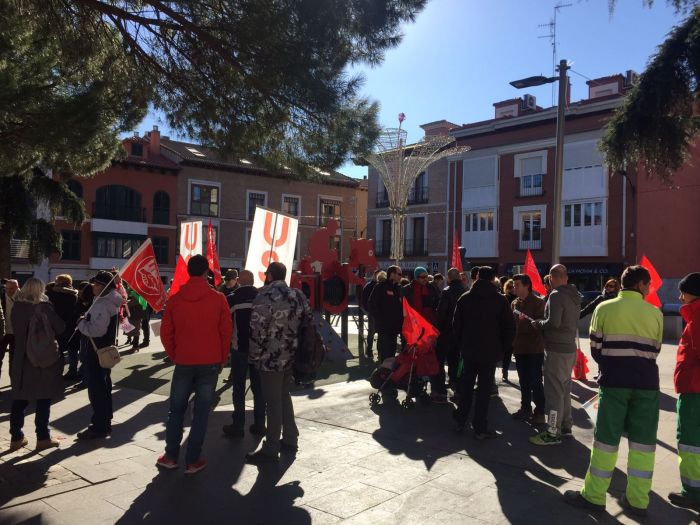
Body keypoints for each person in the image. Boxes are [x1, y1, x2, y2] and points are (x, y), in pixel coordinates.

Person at [564, 265, 663, 516]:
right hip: (647, 385)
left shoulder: (603, 308)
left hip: (614, 382)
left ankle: (595, 496)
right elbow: (655, 349)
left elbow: (596, 348)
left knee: (606, 441)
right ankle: (638, 501)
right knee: (643, 444)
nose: (650, 288)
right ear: (641, 285)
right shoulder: (655, 313)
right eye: (648, 284)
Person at [158, 255, 232, 474]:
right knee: (201, 412)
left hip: (184, 361)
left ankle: (171, 456)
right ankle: (192, 459)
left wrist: (175, 354)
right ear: (206, 272)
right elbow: (225, 332)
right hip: (209, 362)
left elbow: (166, 333)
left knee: (176, 410)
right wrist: (221, 358)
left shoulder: (175, 299)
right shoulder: (218, 299)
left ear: (188, 271)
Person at [245, 262, 312, 464]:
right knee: (283, 396)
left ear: (270, 275)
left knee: (272, 402)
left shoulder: (264, 296)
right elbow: (308, 321)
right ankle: (291, 437)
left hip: (270, 359)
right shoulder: (298, 295)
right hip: (291, 356)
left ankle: (271, 448)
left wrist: (254, 357)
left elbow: (257, 330)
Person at [452, 266, 515, 439]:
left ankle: (460, 420)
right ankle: (480, 427)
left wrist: (462, 344)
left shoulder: (465, 298)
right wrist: (501, 349)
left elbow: (456, 326)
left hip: (469, 351)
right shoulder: (500, 300)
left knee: (466, 387)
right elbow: (509, 328)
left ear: (478, 277)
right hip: (489, 352)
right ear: (493, 279)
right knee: (484, 391)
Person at [8, 278, 65, 452]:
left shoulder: (16, 307)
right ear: (40, 290)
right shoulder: (45, 307)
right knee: (43, 399)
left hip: (20, 357)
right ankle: (43, 438)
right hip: (42, 360)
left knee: (20, 398)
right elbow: (61, 327)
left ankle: (16, 437)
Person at [529, 264, 581, 446]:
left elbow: (554, 322)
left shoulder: (557, 295)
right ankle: (566, 426)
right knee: (564, 391)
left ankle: (552, 432)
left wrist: (538, 324)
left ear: (551, 278)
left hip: (556, 350)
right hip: (569, 349)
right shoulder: (574, 295)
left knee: (553, 394)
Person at [76, 271, 122, 439]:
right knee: (104, 386)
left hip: (97, 351)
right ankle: (104, 420)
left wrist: (81, 323)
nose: (92, 286)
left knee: (97, 389)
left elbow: (97, 330)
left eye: (95, 284)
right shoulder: (108, 300)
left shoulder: (103, 304)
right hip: (103, 351)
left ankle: (100, 425)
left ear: (103, 286)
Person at [668, 272, 700, 512]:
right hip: (693, 386)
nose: (680, 296)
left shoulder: (697, 317)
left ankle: (692, 492)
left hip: (694, 389)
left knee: (689, 440)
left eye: (683, 291)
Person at [222, 270, 265, 438]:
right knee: (258, 389)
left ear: (239, 281)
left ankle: (238, 425)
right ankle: (260, 424)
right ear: (253, 281)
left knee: (238, 388)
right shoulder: (263, 298)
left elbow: (225, 324)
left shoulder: (232, 298)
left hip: (239, 349)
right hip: (258, 349)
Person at [510, 274, 546, 424]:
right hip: (519, 348)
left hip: (534, 348)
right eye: (513, 285)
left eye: (517, 285)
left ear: (527, 286)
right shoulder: (514, 303)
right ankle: (525, 408)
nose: (514, 288)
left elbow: (540, 326)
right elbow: (511, 325)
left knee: (535, 381)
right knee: (523, 381)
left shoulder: (538, 303)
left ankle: (540, 412)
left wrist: (523, 323)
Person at [434, 267, 466, 403]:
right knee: (456, 360)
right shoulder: (465, 292)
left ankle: (440, 391)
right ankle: (457, 387)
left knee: (440, 360)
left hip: (446, 331)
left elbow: (441, 313)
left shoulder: (447, 292)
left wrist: (438, 327)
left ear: (449, 278)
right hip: (460, 332)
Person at [368, 265, 404, 363]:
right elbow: (371, 305)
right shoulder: (380, 287)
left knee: (392, 355)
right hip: (384, 329)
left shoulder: (399, 289)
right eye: (399, 274)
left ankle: (388, 376)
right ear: (392, 274)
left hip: (394, 330)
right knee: (384, 355)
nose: (401, 276)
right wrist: (381, 319)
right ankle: (383, 375)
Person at [46, 275, 79, 380]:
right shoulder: (74, 295)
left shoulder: (52, 294)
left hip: (56, 326)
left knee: (57, 350)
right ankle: (73, 371)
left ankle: (56, 372)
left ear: (59, 283)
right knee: (72, 350)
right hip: (71, 325)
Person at [1, 279, 20, 383]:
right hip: (3, 332)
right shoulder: (1, 296)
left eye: (11, 288)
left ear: (17, 287)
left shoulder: (23, 298)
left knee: (14, 360)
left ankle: (15, 383)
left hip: (17, 333)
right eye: (6, 288)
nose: (8, 291)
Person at [361, 270, 381, 361]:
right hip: (373, 313)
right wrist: (368, 310)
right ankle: (369, 350)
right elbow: (364, 299)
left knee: (376, 332)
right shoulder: (369, 286)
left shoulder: (374, 285)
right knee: (372, 332)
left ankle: (373, 350)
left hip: (377, 313)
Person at [501, 279, 518, 382]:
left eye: (513, 287)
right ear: (506, 288)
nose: (512, 289)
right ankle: (505, 371)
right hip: (506, 328)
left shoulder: (519, 299)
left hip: (516, 329)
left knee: (514, 351)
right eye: (510, 287)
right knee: (507, 351)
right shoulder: (504, 298)